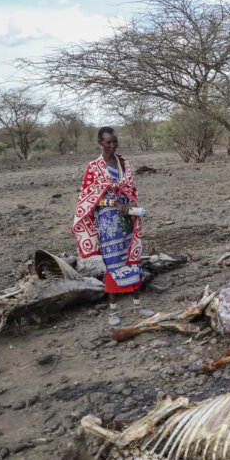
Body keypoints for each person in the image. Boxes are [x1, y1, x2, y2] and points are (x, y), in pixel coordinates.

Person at [73, 127, 153, 326]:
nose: (112, 145)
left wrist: (131, 204)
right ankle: (113, 312)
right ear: (100, 142)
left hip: (128, 219)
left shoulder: (123, 163)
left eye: (114, 142)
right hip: (108, 223)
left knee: (133, 259)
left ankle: (137, 306)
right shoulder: (94, 168)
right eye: (108, 142)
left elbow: (131, 189)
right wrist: (113, 204)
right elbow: (89, 200)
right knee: (113, 263)